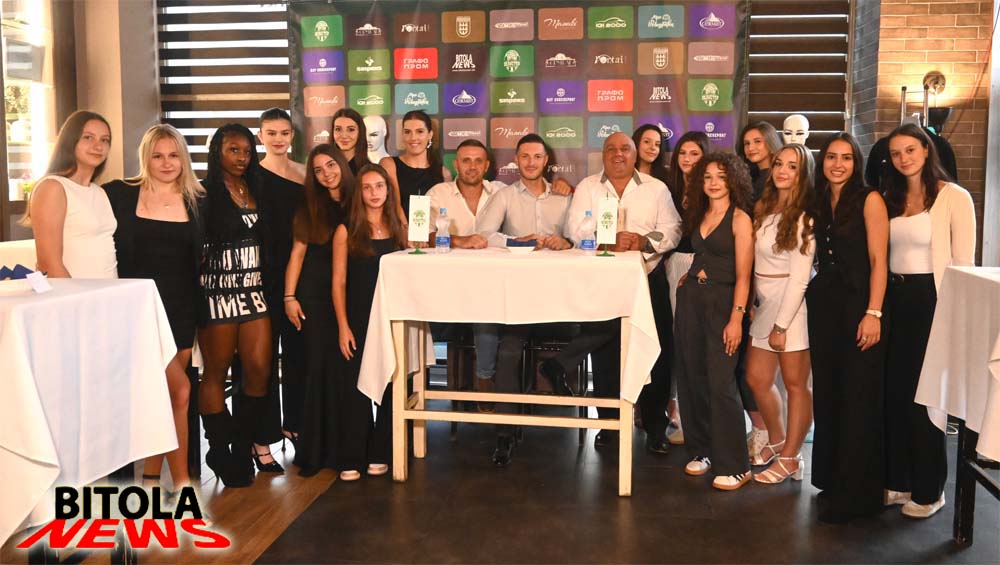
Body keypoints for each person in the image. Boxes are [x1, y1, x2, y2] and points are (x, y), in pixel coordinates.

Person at [562, 132, 682, 453]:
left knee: (655, 353)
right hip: (601, 282)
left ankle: (655, 427)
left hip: (648, 279)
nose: (618, 154)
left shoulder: (656, 189)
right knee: (605, 356)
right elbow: (574, 229)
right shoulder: (588, 187)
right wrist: (608, 239)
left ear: (635, 154)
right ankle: (608, 425)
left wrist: (643, 241)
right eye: (611, 149)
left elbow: (673, 229)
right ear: (602, 155)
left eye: (625, 149)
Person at [103, 124, 205, 494]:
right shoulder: (118, 193)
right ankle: (180, 483)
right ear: (145, 157)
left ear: (184, 158)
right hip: (135, 311)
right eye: (157, 156)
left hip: (181, 309)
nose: (166, 163)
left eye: (173, 155)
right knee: (177, 392)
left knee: (165, 395)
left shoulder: (198, 200)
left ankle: (151, 478)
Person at [882, 123, 976, 519]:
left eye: (910, 150)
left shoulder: (954, 197)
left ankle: (929, 490)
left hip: (932, 302)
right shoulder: (891, 198)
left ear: (926, 149)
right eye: (896, 153)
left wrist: (953, 314)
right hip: (894, 300)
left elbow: (964, 263)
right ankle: (900, 481)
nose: (903, 158)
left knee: (927, 399)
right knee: (895, 395)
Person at [474, 133, 574, 466]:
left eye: (537, 156)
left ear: (547, 161)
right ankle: (504, 433)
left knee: (602, 327)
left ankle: (557, 367)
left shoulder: (564, 196)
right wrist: (516, 241)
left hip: (561, 296)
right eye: (525, 156)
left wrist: (567, 242)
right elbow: (483, 234)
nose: (531, 162)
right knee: (508, 351)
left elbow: (582, 235)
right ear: (516, 160)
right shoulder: (504, 195)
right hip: (519, 297)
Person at [807, 132, 889, 523]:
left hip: (859, 304)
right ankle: (832, 480)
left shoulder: (869, 199)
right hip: (825, 304)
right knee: (828, 391)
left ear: (856, 163)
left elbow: (879, 261)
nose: (837, 164)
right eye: (831, 157)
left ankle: (856, 495)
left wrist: (874, 313)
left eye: (846, 158)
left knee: (857, 396)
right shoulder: (820, 199)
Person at [198, 124, 273, 487]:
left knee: (259, 369)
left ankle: (242, 445)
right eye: (233, 150)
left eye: (246, 151)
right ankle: (218, 447)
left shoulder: (256, 187)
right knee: (216, 372)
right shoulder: (203, 193)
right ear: (218, 152)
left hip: (254, 289)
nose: (242, 157)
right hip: (218, 291)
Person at [674, 152, 754, 490]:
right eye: (707, 177)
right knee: (692, 377)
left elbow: (744, 276)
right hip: (692, 299)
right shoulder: (700, 213)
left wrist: (736, 318)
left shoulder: (741, 218)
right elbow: (699, 253)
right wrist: (691, 278)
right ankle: (702, 450)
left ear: (733, 180)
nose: (713, 182)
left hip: (724, 303)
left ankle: (736, 465)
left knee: (721, 382)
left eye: (721, 176)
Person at [745, 144, 816, 484]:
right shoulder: (764, 207)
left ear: (804, 174)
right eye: (779, 164)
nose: (783, 171)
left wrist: (782, 324)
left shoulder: (805, 217)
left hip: (792, 307)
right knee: (757, 378)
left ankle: (791, 457)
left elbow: (800, 278)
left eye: (792, 166)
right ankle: (776, 440)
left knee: (795, 384)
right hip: (765, 304)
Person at [332, 163, 407, 481]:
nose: (374, 193)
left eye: (379, 186)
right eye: (367, 187)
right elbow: (338, 282)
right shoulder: (346, 230)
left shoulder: (399, 228)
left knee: (391, 382)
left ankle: (381, 451)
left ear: (388, 190)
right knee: (355, 387)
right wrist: (343, 326)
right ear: (358, 193)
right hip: (358, 317)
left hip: (391, 316)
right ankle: (353, 454)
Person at [283, 144, 353, 476]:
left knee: (344, 374)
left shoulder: (359, 199)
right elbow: (297, 254)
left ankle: (345, 448)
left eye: (331, 165)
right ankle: (315, 452)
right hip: (314, 296)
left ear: (342, 164)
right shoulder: (309, 205)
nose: (326, 173)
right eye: (318, 170)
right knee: (319, 371)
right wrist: (289, 297)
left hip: (352, 292)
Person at [256, 107, 307, 470]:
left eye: (284, 133)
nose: (278, 139)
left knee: (298, 354)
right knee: (260, 361)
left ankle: (297, 426)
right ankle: (261, 439)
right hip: (260, 274)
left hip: (299, 273)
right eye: (271, 133)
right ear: (261, 136)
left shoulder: (304, 174)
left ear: (292, 136)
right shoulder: (252, 176)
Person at [736, 122, 782, 456]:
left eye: (757, 141)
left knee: (759, 372)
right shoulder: (751, 179)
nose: (752, 147)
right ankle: (766, 432)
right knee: (750, 370)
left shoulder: (776, 181)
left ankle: (772, 435)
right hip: (751, 277)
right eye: (747, 143)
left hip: (774, 281)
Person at [663, 131, 712, 445]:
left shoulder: (711, 188)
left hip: (703, 268)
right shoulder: (668, 189)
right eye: (683, 153)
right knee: (676, 339)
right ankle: (676, 410)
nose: (688, 159)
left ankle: (699, 418)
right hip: (673, 266)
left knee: (698, 341)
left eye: (695, 154)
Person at [26, 110, 117, 278]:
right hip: (75, 292)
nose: (98, 146)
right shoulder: (53, 187)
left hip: (108, 291)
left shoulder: (99, 192)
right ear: (70, 140)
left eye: (104, 140)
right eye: (88, 137)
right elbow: (49, 264)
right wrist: (76, 295)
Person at [380, 109, 451, 221]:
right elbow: (395, 204)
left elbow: (444, 212)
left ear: (430, 135)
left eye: (420, 131)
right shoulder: (389, 164)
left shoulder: (443, 173)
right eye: (407, 132)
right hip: (398, 230)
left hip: (432, 231)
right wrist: (406, 228)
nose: (413, 138)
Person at [426, 139, 498, 249]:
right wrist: (457, 240)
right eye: (466, 161)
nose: (472, 167)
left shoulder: (499, 192)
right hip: (449, 260)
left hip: (494, 259)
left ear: (486, 166)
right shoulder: (437, 193)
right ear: (456, 165)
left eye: (478, 161)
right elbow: (423, 235)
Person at [737, 121, 783, 201]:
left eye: (757, 141)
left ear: (771, 143)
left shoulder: (779, 177)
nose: (750, 148)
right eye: (747, 143)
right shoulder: (750, 176)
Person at [331, 108, 371, 174]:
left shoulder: (369, 171)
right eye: (338, 129)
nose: (344, 136)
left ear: (360, 132)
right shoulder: (325, 168)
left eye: (351, 130)